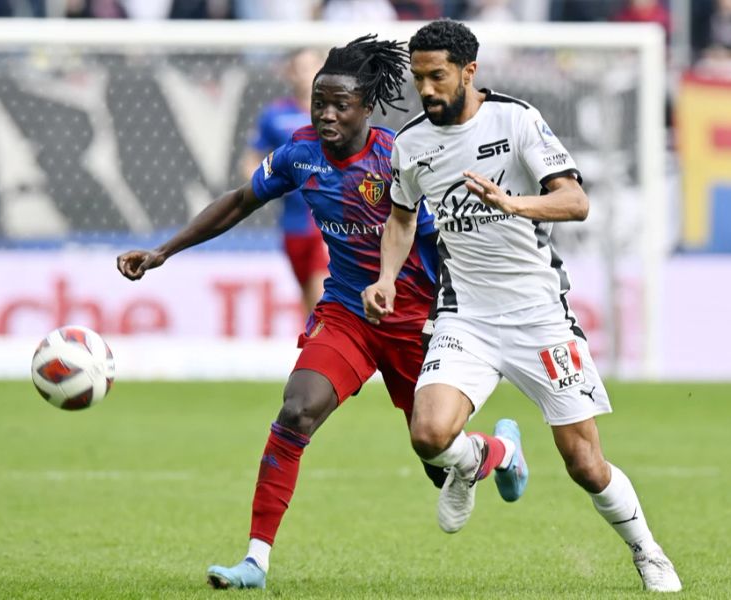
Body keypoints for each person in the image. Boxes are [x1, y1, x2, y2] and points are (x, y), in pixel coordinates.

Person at [117, 34, 498, 591]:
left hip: (417, 321)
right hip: (347, 313)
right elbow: (239, 201)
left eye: (340, 105)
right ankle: (255, 560)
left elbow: (444, 247)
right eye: (320, 102)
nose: (325, 114)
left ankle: (494, 451)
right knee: (296, 411)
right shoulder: (299, 154)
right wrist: (163, 251)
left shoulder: (400, 159)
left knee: (433, 451)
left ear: (367, 107)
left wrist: (453, 320)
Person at [363, 19, 682, 593]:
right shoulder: (410, 142)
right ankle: (474, 463)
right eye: (419, 79)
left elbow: (576, 201)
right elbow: (402, 216)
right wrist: (386, 277)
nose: (427, 90)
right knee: (428, 433)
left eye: (438, 77)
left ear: (468, 71)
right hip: (466, 315)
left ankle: (647, 550)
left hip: (539, 315)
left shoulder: (516, 120)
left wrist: (513, 202)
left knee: (585, 464)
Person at [238, 48, 329, 317]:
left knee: (322, 297)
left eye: (310, 67)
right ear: (289, 72)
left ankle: (324, 352)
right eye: (299, 68)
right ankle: (313, 350)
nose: (304, 74)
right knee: (307, 302)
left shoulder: (336, 113)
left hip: (325, 222)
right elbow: (250, 162)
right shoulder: (275, 115)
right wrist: (271, 183)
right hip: (292, 223)